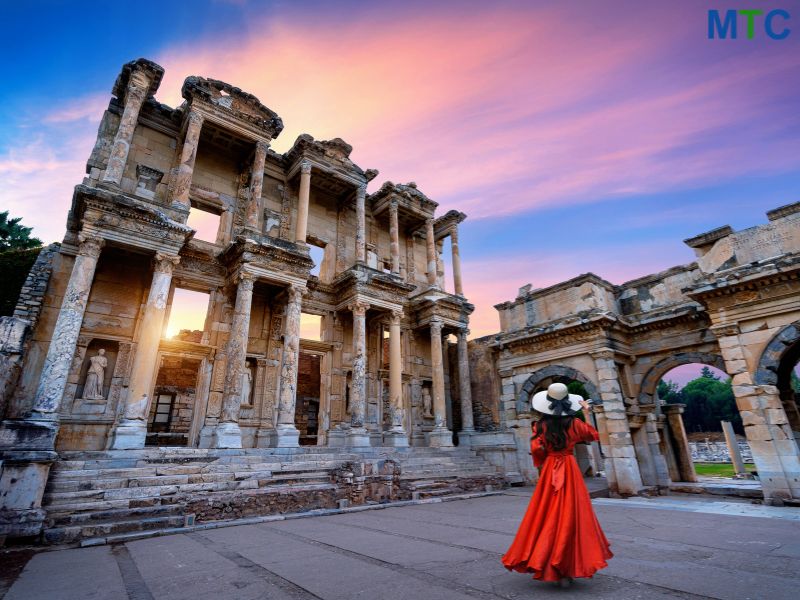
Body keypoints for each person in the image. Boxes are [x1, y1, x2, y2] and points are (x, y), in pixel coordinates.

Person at [502, 382, 612, 587]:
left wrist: (544, 459)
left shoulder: (540, 425)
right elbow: (593, 435)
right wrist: (587, 413)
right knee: (573, 514)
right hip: (570, 469)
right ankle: (569, 567)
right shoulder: (574, 423)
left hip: (551, 468)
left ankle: (549, 561)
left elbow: (536, 450)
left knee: (546, 513)